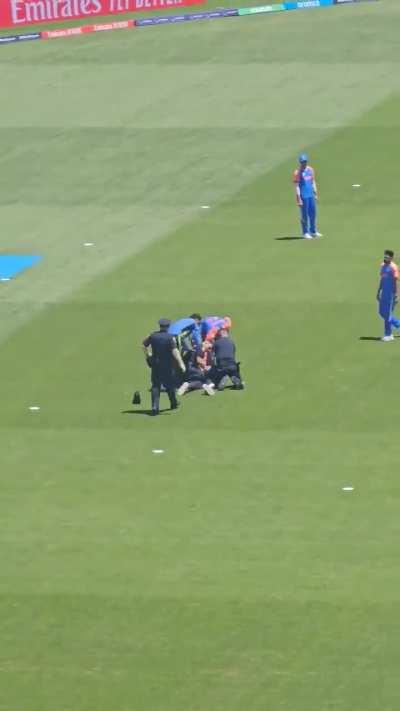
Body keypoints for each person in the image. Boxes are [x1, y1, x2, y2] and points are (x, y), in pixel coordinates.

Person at [142, 318, 186, 415]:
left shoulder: (153, 336)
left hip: (156, 364)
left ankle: (154, 407)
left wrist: (148, 356)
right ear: (168, 326)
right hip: (167, 365)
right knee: (169, 385)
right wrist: (181, 363)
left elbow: (144, 345)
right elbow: (175, 351)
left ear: (160, 326)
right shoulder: (170, 338)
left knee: (155, 385)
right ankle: (173, 403)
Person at [293, 154, 322, 239]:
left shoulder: (310, 170)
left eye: (305, 161)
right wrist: (299, 198)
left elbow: (313, 181)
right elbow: (297, 186)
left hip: (310, 195)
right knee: (304, 215)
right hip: (303, 195)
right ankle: (305, 232)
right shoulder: (297, 172)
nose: (304, 163)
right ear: (300, 162)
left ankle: (313, 231)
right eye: (302, 162)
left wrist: (315, 192)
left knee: (313, 213)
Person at [377, 250, 400, 342]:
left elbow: (396, 282)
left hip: (391, 294)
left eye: (387, 257)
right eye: (384, 256)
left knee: (387, 314)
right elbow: (382, 279)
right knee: (381, 312)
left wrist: (397, 294)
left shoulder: (393, 267)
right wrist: (378, 291)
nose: (385, 258)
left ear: (391, 258)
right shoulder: (383, 266)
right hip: (384, 294)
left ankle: (388, 334)